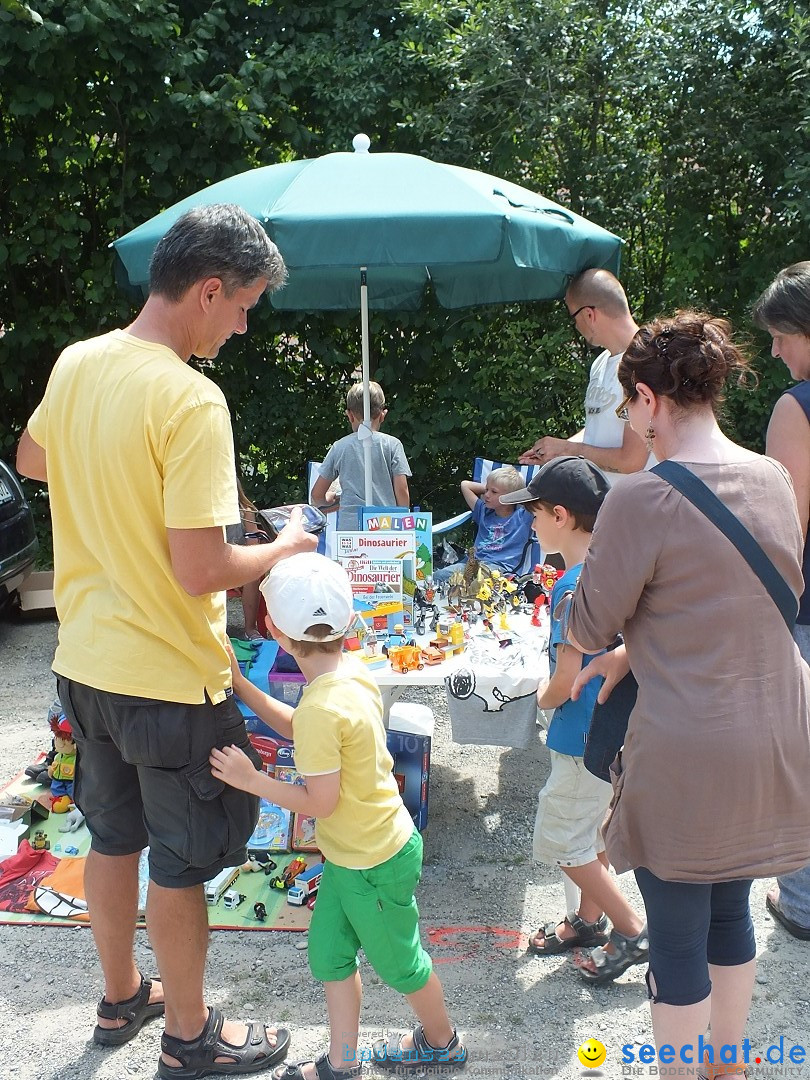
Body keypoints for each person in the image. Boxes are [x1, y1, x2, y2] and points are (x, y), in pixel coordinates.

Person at [16, 204, 319, 1080]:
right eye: (244, 306)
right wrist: (287, 547)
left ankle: (122, 997)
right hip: (167, 680)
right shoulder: (191, 397)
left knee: (112, 840)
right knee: (182, 864)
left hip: (85, 666)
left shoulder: (79, 362)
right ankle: (190, 1038)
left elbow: (34, 461)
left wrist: (103, 478)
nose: (243, 324)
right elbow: (202, 568)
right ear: (209, 288)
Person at [566, 311, 810, 1077]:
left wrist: (616, 629)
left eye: (627, 409)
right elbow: (741, 602)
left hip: (685, 748)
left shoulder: (642, 497)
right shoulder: (772, 478)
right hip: (770, 733)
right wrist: (642, 643)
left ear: (646, 398)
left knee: (673, 937)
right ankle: (726, 1064)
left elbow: (587, 621)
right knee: (729, 910)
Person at [210, 552, 466, 1080]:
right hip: (357, 855)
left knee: (401, 964)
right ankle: (342, 1062)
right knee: (329, 953)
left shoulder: (324, 705)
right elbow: (306, 726)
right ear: (349, 622)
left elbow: (320, 800)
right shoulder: (347, 672)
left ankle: (442, 1044)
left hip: (373, 860)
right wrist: (243, 687)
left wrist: (252, 780)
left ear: (272, 630)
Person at [498, 457, 649, 977]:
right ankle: (589, 921)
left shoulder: (570, 588)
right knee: (591, 832)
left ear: (560, 516)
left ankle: (632, 930)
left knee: (564, 839)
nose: (529, 523)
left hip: (579, 739)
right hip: (613, 734)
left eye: (534, 513)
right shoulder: (616, 570)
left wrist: (534, 697)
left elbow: (562, 683)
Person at [753, 262, 810, 941]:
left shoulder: (797, 406)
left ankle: (801, 903)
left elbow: (788, 528)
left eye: (779, 336)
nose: (775, 352)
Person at [519, 268, 648, 477]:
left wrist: (568, 450)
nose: (575, 326)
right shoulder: (600, 362)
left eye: (573, 318)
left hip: (638, 506)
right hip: (601, 503)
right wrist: (556, 450)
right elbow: (597, 431)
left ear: (589, 315)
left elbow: (632, 461)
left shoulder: (646, 362)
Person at [311, 381, 411, 531]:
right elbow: (401, 490)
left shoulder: (340, 447)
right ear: (383, 415)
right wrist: (404, 519)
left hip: (351, 530)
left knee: (350, 556)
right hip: (386, 526)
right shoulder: (393, 445)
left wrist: (330, 499)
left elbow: (317, 495)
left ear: (350, 415)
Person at [432, 465, 534, 583]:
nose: (486, 495)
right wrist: (493, 487)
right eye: (486, 489)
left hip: (498, 570)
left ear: (511, 497)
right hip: (472, 565)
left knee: (475, 582)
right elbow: (465, 485)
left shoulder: (523, 517)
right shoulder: (483, 511)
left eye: (493, 492)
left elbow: (541, 496)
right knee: (438, 576)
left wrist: (513, 495)